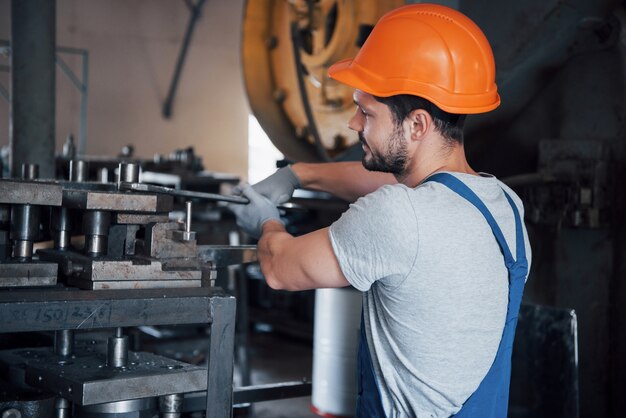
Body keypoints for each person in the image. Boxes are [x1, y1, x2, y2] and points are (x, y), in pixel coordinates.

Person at [230, 4, 531, 417]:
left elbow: (280, 269)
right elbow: (400, 185)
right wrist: (300, 175)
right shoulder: (504, 206)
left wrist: (263, 220)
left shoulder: (399, 215)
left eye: (367, 111)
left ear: (417, 125)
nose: (354, 123)